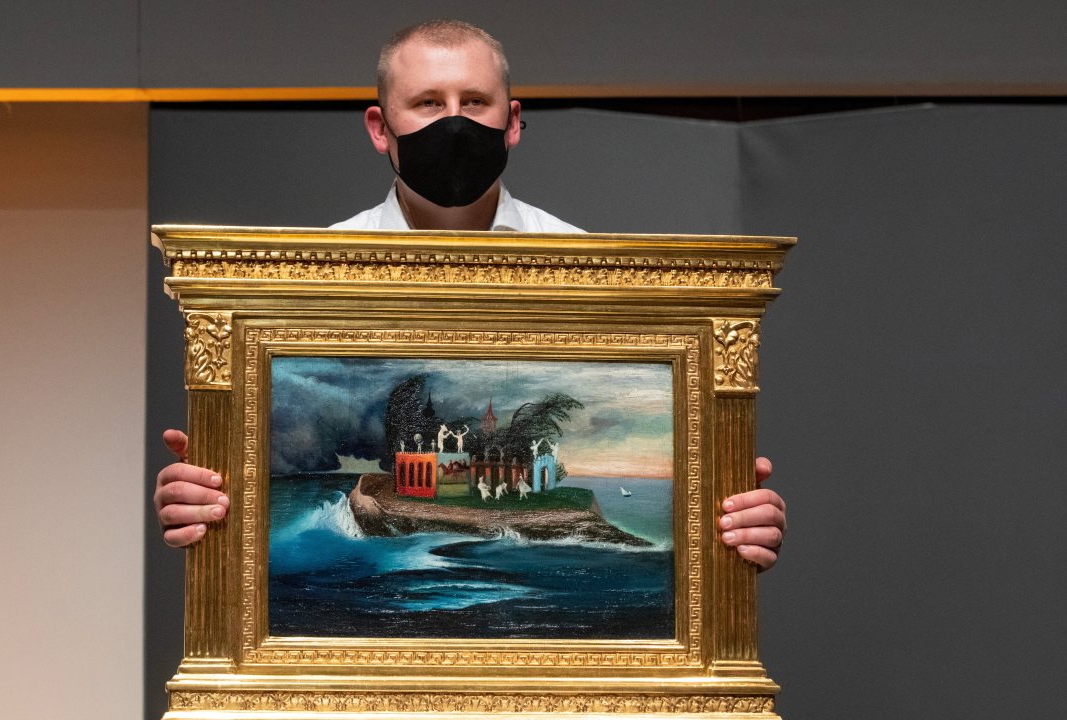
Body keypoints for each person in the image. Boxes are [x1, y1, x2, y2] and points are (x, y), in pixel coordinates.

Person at [154, 20, 786, 570]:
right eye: (428, 102)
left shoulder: (593, 271)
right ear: (379, 127)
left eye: (475, 101)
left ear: (511, 123)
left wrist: (728, 522)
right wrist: (210, 501)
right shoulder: (303, 282)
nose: (454, 123)